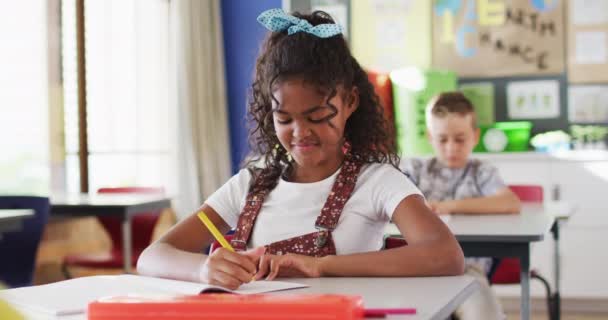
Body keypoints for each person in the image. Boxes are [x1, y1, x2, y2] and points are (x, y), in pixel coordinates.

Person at [138, 8, 464, 290]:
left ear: (349, 102)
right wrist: (202, 269)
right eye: (284, 118)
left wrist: (321, 266)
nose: (300, 132)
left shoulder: (376, 181)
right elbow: (152, 257)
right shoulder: (253, 183)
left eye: (317, 116)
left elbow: (445, 254)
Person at [401, 92, 522, 320]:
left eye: (460, 139)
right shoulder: (416, 170)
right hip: (419, 271)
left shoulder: (481, 171)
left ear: (475, 136)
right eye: (442, 139)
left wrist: (448, 206)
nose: (451, 148)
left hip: (468, 270)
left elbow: (510, 203)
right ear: (430, 136)